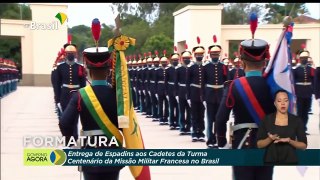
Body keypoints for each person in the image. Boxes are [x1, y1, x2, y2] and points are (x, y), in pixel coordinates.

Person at [59, 44, 124, 180]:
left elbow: (64, 123)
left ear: (88, 71)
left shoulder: (80, 95)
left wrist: (73, 144)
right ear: (109, 71)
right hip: (113, 156)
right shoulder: (119, 95)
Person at [215, 36, 276, 179]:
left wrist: (222, 142)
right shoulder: (274, 87)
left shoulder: (234, 86)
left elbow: (220, 118)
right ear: (264, 62)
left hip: (242, 144)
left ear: (242, 63)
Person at [257, 89, 307, 165]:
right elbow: (259, 145)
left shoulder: (296, 120)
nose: (283, 103)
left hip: (290, 162)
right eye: (279, 101)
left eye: (286, 100)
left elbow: (303, 146)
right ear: (275, 103)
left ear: (289, 102)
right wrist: (270, 139)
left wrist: (289, 141)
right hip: (270, 162)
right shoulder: (266, 119)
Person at [55, 43, 86, 140]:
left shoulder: (80, 67)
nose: (70, 55)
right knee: (65, 117)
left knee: (75, 118)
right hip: (64, 95)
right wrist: (58, 99)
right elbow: (57, 85)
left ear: (75, 54)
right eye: (68, 53)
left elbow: (83, 84)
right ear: (65, 54)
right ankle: (67, 138)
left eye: (72, 53)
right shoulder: (60, 67)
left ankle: (75, 136)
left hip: (76, 94)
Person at [203, 41, 228, 148]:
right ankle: (210, 139)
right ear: (210, 55)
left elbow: (227, 82)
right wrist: (203, 97)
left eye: (217, 54)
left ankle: (220, 139)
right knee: (210, 119)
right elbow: (203, 83)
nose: (215, 56)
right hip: (210, 95)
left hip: (221, 95)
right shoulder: (206, 66)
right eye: (213, 54)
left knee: (220, 118)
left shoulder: (223, 66)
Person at [187, 38, 206, 142]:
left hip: (202, 94)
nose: (199, 56)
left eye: (201, 54)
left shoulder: (205, 67)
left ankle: (201, 132)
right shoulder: (191, 68)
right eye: (197, 55)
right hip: (194, 93)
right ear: (194, 56)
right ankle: (194, 132)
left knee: (201, 114)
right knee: (194, 114)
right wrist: (188, 96)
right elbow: (187, 83)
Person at [292, 49, 315, 134]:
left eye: (306, 58)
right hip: (299, 92)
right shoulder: (296, 69)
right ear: (300, 59)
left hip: (308, 92)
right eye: (303, 58)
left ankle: (304, 128)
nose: (304, 59)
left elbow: (313, 80)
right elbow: (293, 81)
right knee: (300, 112)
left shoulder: (311, 69)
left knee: (306, 112)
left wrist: (313, 90)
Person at [175, 46, 192, 135]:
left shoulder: (191, 68)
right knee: (181, 111)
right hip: (181, 91)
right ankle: (182, 127)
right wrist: (176, 94)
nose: (186, 60)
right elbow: (176, 82)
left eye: (188, 58)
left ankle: (188, 127)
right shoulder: (178, 69)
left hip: (189, 92)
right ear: (182, 59)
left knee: (189, 111)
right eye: (185, 58)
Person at [166, 49, 180, 130]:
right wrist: (167, 92)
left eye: (176, 60)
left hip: (178, 90)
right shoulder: (168, 69)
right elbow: (166, 81)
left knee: (178, 108)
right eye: (174, 60)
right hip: (170, 89)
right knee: (171, 107)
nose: (175, 61)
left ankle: (177, 122)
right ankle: (171, 122)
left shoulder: (180, 68)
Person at [155, 51, 169, 125]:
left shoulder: (168, 69)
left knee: (166, 104)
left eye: (165, 62)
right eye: (162, 62)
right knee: (160, 104)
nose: (164, 63)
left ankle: (166, 117)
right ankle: (161, 117)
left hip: (166, 89)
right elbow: (156, 81)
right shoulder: (158, 70)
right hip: (160, 88)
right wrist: (156, 91)